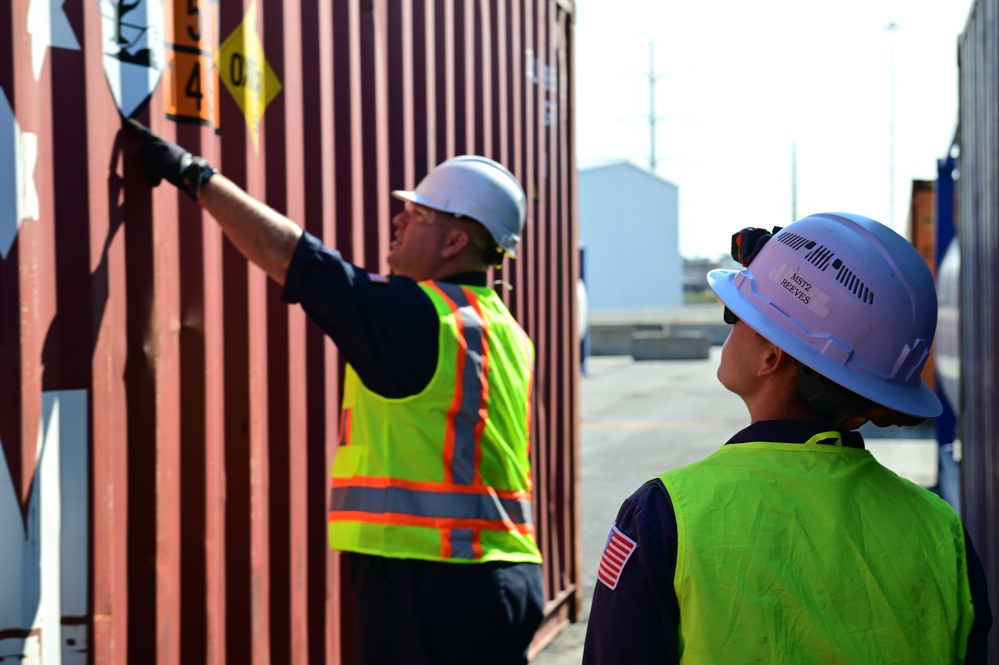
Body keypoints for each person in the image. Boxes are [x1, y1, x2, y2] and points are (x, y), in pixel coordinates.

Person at [124, 119, 544, 665]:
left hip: (435, 583)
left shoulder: (417, 320)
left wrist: (194, 173)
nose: (398, 220)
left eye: (416, 214)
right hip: (508, 576)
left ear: (455, 241)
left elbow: (297, 259)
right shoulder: (504, 330)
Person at [582, 212, 992, 664]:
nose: (730, 323)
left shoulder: (662, 516)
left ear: (772, 356)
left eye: (737, 313)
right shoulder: (940, 529)